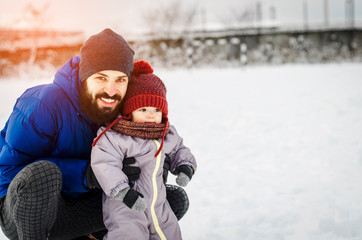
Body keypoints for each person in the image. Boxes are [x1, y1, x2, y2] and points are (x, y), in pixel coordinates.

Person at [0, 28, 189, 240]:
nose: (110, 90)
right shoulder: (43, 103)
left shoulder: (122, 108)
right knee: (43, 174)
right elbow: (7, 171)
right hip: (23, 212)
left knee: (170, 200)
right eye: (101, 78)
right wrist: (87, 174)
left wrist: (152, 165)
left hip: (76, 209)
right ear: (84, 75)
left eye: (120, 80)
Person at [91, 60, 197, 240]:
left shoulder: (165, 133)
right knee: (128, 234)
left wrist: (185, 166)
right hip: (125, 203)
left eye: (156, 109)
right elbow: (105, 163)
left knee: (170, 233)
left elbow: (179, 148)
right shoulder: (116, 136)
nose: (150, 114)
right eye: (143, 108)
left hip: (158, 203)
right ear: (129, 111)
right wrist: (122, 191)